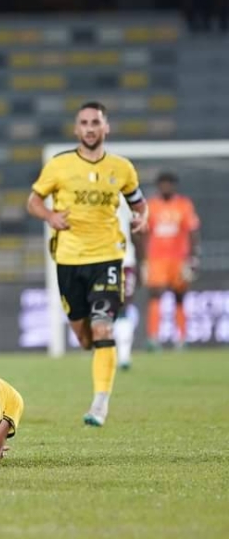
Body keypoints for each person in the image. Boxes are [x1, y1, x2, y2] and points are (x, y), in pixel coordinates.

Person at [27, 102, 147, 427]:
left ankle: (100, 404)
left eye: (96, 122)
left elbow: (139, 202)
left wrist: (141, 217)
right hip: (68, 260)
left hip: (108, 256)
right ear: (77, 129)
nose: (90, 128)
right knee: (84, 338)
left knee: (103, 326)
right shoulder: (59, 165)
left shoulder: (122, 168)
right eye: (84, 122)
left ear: (106, 127)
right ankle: (100, 350)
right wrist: (50, 216)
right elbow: (33, 201)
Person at [142, 172, 201, 350]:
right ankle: (153, 338)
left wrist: (193, 257)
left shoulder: (184, 205)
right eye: (163, 184)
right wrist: (143, 258)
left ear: (174, 186)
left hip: (179, 258)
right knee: (155, 294)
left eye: (169, 184)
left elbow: (192, 231)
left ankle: (182, 338)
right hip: (157, 258)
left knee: (180, 296)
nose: (166, 187)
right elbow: (144, 232)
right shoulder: (151, 205)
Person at [113, 200, 140, 371]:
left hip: (124, 261)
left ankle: (124, 355)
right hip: (95, 261)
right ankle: (105, 352)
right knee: (100, 309)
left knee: (122, 307)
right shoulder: (85, 191)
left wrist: (143, 262)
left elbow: (136, 228)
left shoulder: (123, 194)